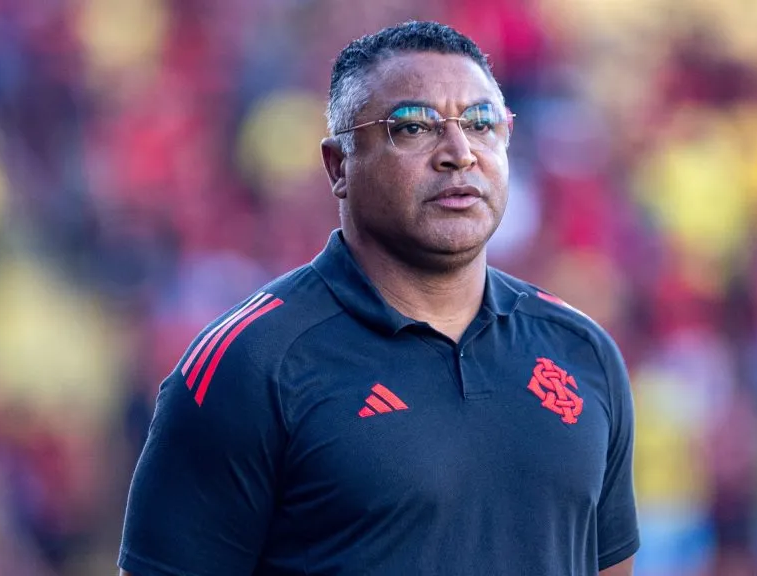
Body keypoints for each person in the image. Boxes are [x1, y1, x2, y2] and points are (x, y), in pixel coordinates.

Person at [118, 20, 638, 576]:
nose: (459, 153)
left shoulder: (582, 352)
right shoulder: (251, 365)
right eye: (414, 127)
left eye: (483, 123)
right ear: (339, 166)